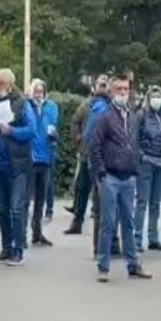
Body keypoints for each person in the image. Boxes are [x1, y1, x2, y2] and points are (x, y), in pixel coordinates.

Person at [89, 75, 151, 283]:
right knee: (108, 223)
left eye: (126, 89)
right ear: (112, 92)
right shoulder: (105, 117)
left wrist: (137, 164)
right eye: (119, 89)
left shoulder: (132, 116)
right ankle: (103, 266)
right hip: (110, 177)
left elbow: (134, 142)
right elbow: (95, 146)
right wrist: (101, 173)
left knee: (128, 223)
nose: (123, 93)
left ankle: (133, 264)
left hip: (128, 176)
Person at [0, 68, 35, 266]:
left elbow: (31, 130)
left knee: (16, 208)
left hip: (18, 165)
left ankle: (18, 249)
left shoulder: (22, 104)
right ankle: (6, 248)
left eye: (1, 85)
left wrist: (12, 131)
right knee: (3, 209)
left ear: (10, 85)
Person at [134, 85, 161, 253]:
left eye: (158, 97)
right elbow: (134, 139)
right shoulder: (141, 115)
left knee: (155, 204)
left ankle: (153, 238)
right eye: (153, 96)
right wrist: (141, 156)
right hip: (146, 163)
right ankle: (137, 239)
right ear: (148, 99)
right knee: (142, 202)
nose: (156, 100)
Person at [65, 75, 109, 235]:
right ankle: (77, 222)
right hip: (86, 153)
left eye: (105, 85)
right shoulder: (85, 106)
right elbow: (75, 122)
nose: (103, 88)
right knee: (82, 189)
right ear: (95, 87)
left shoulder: (110, 105)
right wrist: (78, 138)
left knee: (100, 195)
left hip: (103, 157)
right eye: (101, 84)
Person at [27, 79, 58, 248]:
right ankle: (20, 236)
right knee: (26, 199)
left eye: (41, 91)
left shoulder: (50, 108)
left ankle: (37, 233)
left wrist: (54, 135)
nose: (39, 94)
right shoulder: (27, 107)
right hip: (31, 158)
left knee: (41, 199)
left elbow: (53, 129)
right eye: (36, 91)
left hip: (45, 157)